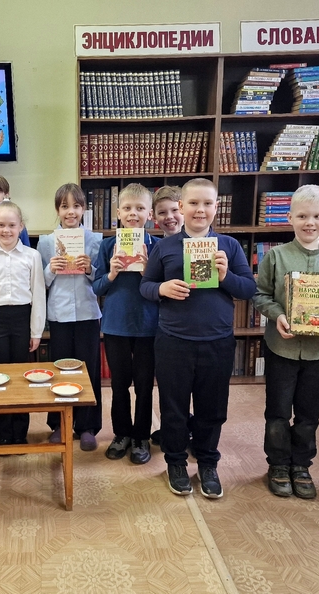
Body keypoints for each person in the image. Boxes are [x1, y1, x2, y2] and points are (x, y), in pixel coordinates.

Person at [141, 178, 256, 498]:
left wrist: (225, 276)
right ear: (181, 207)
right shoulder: (165, 247)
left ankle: (207, 463)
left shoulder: (229, 246)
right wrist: (162, 288)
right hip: (174, 341)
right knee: (173, 407)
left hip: (217, 342)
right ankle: (176, 463)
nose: (200, 210)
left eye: (207, 203)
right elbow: (145, 286)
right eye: (193, 203)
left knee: (212, 409)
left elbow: (248, 288)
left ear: (216, 207)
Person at [252, 184, 319, 500]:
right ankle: (278, 464)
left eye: (317, 216)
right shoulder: (276, 256)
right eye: (303, 216)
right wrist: (278, 315)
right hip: (281, 347)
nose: (310, 223)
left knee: (309, 413)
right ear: (290, 218)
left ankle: (301, 465)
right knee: (278, 411)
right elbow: (260, 295)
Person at [92, 183, 160, 465]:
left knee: (144, 385)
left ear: (150, 214)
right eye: (128, 208)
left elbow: (163, 289)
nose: (134, 213)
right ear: (118, 213)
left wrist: (148, 272)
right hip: (116, 325)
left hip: (148, 325)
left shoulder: (157, 246)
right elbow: (96, 287)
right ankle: (121, 434)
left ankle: (141, 436)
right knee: (119, 384)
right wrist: (112, 273)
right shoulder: (108, 245)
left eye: (140, 208)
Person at [0, 200, 46, 450]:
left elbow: (38, 295)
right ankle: (4, 433)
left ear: (21, 226)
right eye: (1, 225)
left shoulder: (32, 256)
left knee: (21, 376)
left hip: (22, 319)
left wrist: (36, 331)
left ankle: (20, 432)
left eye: (12, 225)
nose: (6, 230)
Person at [37, 183, 103, 451]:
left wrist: (90, 269)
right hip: (60, 313)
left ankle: (87, 427)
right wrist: (50, 270)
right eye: (65, 206)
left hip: (87, 312)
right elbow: (39, 283)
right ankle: (59, 424)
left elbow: (103, 281)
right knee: (60, 369)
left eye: (76, 206)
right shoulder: (46, 242)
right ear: (58, 210)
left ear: (83, 209)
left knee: (89, 370)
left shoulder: (96, 240)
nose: (71, 212)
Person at [148, 185, 189, 447]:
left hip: (190, 325)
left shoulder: (206, 243)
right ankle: (172, 430)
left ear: (183, 209)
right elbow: (148, 285)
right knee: (171, 384)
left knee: (192, 384)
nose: (169, 217)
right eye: (162, 212)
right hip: (164, 325)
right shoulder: (156, 246)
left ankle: (190, 429)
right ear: (154, 217)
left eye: (175, 210)